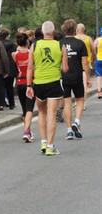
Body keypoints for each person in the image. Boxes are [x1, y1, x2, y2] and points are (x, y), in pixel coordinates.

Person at [26, 21, 68, 156]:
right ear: (54, 31)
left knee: (42, 112)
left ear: (43, 32)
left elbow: (30, 67)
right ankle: (50, 146)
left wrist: (28, 85)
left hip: (38, 83)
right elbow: (65, 68)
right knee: (52, 113)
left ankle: (43, 142)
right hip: (54, 81)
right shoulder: (61, 45)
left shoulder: (34, 45)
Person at [60, 19, 91, 140]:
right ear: (75, 30)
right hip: (77, 76)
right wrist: (88, 78)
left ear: (64, 29)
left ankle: (69, 131)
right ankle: (76, 122)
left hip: (64, 77)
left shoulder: (59, 43)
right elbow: (86, 63)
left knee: (67, 103)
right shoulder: (80, 43)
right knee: (80, 100)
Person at [12, 32, 35, 142]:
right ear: (27, 41)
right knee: (30, 108)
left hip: (19, 82)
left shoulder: (14, 55)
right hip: (30, 82)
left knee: (24, 109)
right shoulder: (32, 53)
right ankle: (26, 131)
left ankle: (28, 131)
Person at [75, 23, 96, 105]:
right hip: (86, 64)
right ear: (84, 30)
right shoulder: (88, 38)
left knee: (77, 84)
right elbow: (93, 51)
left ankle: (77, 102)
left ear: (78, 29)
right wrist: (93, 60)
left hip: (76, 64)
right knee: (84, 84)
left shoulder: (74, 38)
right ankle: (82, 103)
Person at [0, 28, 17, 109]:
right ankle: (11, 103)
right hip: (10, 68)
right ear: (7, 35)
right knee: (10, 87)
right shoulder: (12, 45)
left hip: (0, 68)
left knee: (0, 86)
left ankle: (1, 103)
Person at [94, 29, 102, 98]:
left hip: (99, 60)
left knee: (98, 76)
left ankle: (99, 92)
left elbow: (93, 49)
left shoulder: (97, 40)